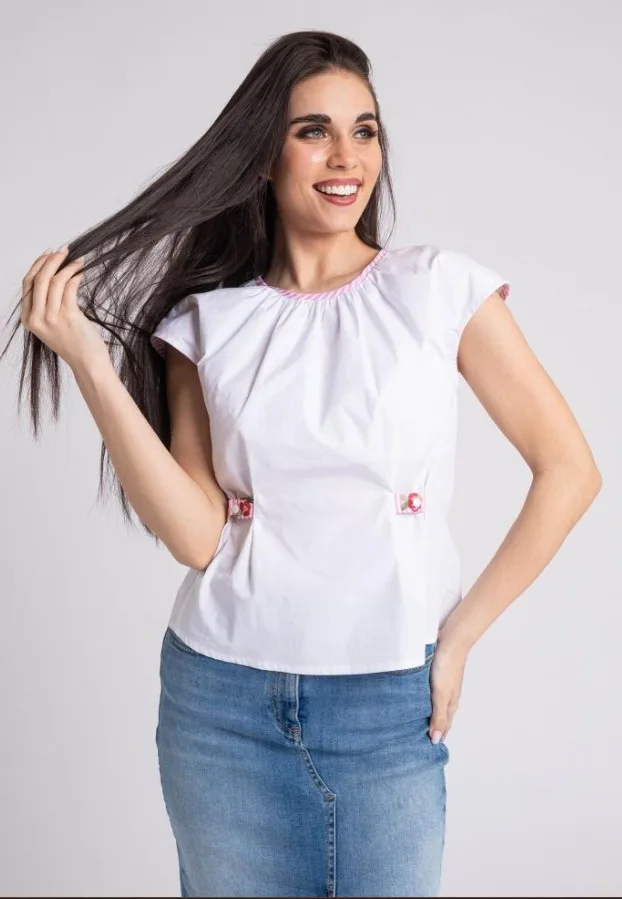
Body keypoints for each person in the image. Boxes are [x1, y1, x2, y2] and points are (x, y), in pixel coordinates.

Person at [7, 29, 601, 899]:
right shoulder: (208, 325)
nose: (346, 156)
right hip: (219, 709)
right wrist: (90, 365)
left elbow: (570, 469)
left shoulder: (439, 289)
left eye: (365, 130)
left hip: (387, 707)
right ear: (263, 157)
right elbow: (197, 537)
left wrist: (460, 636)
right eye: (313, 131)